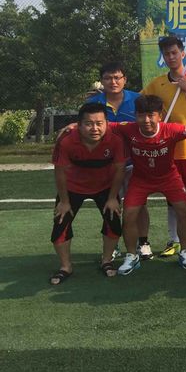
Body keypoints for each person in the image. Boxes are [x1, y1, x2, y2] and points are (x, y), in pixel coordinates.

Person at [111, 95, 186, 276]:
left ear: (160, 116)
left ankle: (185, 251)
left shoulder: (171, 130)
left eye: (151, 115)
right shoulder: (128, 128)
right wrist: (73, 127)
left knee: (183, 209)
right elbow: (103, 125)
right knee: (129, 214)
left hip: (168, 177)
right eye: (141, 115)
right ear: (135, 115)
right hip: (140, 179)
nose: (146, 120)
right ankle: (132, 255)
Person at [142, 36, 186, 257]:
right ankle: (173, 241)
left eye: (174, 52)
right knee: (172, 199)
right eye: (166, 54)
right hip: (169, 151)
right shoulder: (157, 84)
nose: (171, 57)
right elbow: (139, 103)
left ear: (183, 53)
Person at [49, 102, 126, 284]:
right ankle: (65, 267)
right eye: (89, 124)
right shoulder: (66, 140)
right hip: (73, 187)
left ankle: (106, 261)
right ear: (79, 124)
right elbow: (60, 172)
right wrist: (64, 201)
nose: (95, 128)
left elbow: (120, 169)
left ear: (107, 123)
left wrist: (112, 198)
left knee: (114, 222)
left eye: (99, 123)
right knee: (60, 224)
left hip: (105, 186)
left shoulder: (115, 139)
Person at [87, 61, 152, 260]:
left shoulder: (138, 100)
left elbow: (149, 125)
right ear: (102, 81)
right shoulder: (93, 103)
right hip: (106, 164)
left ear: (125, 79)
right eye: (108, 78)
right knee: (111, 204)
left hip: (134, 162)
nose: (113, 82)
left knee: (139, 204)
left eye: (117, 77)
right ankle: (113, 243)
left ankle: (143, 243)